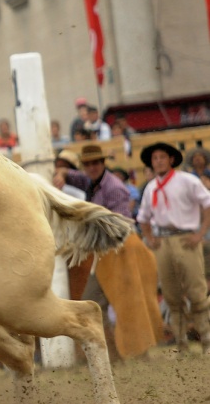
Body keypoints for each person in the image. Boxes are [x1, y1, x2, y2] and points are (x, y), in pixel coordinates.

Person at [53, 144, 162, 361]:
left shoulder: (114, 188)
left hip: (123, 249)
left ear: (103, 163)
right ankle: (114, 357)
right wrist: (62, 173)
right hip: (105, 253)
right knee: (91, 304)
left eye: (96, 163)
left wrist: (85, 229)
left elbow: (120, 226)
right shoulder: (90, 180)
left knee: (128, 303)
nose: (92, 167)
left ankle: (140, 356)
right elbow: (71, 174)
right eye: (88, 164)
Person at [136, 142, 210, 355]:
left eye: (162, 157)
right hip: (163, 241)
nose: (158, 161)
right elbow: (143, 218)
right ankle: (181, 343)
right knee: (171, 294)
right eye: (155, 158)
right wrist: (150, 238)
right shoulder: (151, 187)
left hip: (186, 238)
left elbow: (207, 204)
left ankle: (206, 340)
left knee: (196, 291)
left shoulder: (187, 180)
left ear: (171, 160)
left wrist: (200, 233)